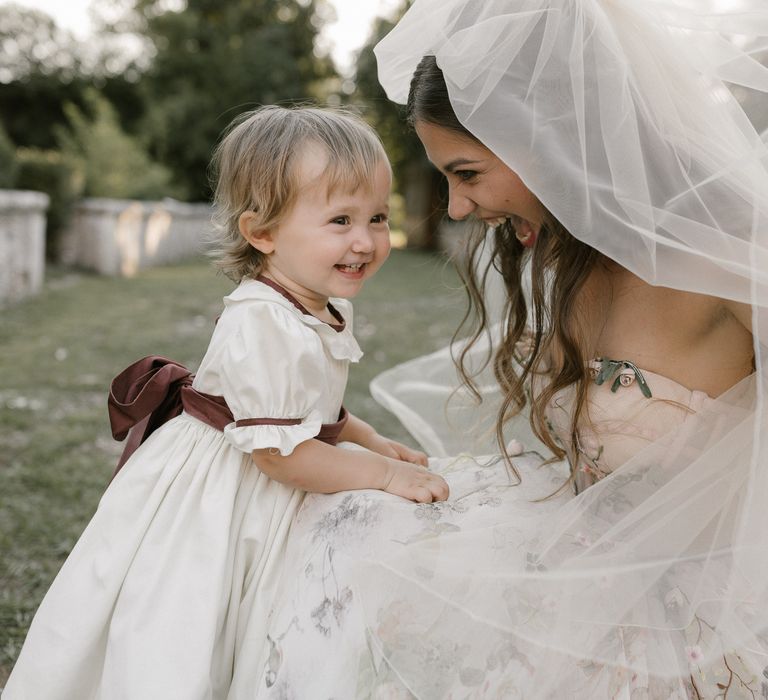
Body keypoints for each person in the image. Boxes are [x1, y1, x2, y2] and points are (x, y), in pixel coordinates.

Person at [248, 1, 768, 697]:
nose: (457, 208)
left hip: (684, 613)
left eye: (467, 173)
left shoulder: (730, 250)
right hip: (585, 556)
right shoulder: (567, 258)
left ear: (548, 138)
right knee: (337, 522)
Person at [2, 105, 448, 699]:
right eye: (340, 219)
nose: (365, 240)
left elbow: (309, 411)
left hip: (266, 465)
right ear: (262, 232)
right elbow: (281, 457)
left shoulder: (315, 304)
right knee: (188, 625)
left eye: (376, 216)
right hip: (222, 494)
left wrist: (368, 440)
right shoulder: (264, 321)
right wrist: (384, 474)